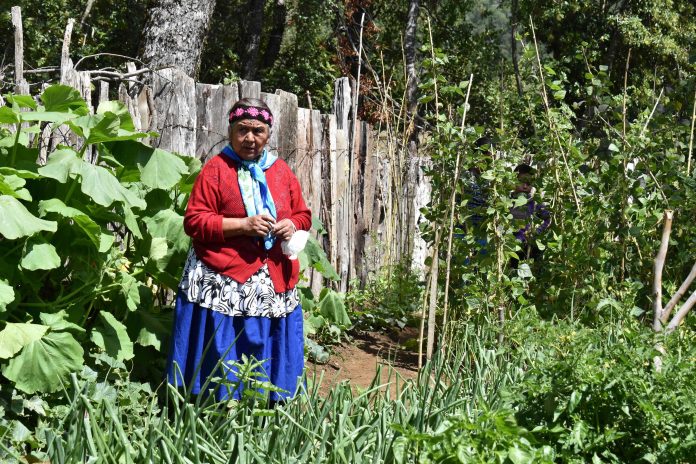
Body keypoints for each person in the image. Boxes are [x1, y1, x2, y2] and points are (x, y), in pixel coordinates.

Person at [167, 98, 312, 403]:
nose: (250, 138)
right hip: (223, 276)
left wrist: (291, 224)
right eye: (242, 130)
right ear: (230, 132)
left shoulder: (281, 171)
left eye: (257, 131)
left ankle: (265, 401)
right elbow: (195, 222)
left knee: (267, 340)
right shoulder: (216, 170)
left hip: (272, 279)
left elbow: (303, 215)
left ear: (268, 134)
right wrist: (243, 225)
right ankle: (215, 402)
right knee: (225, 342)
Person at [509, 163, 550, 268]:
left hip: (530, 247)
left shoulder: (535, 202)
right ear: (514, 181)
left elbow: (547, 219)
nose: (525, 186)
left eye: (529, 183)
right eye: (522, 182)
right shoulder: (507, 202)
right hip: (511, 247)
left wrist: (536, 231)